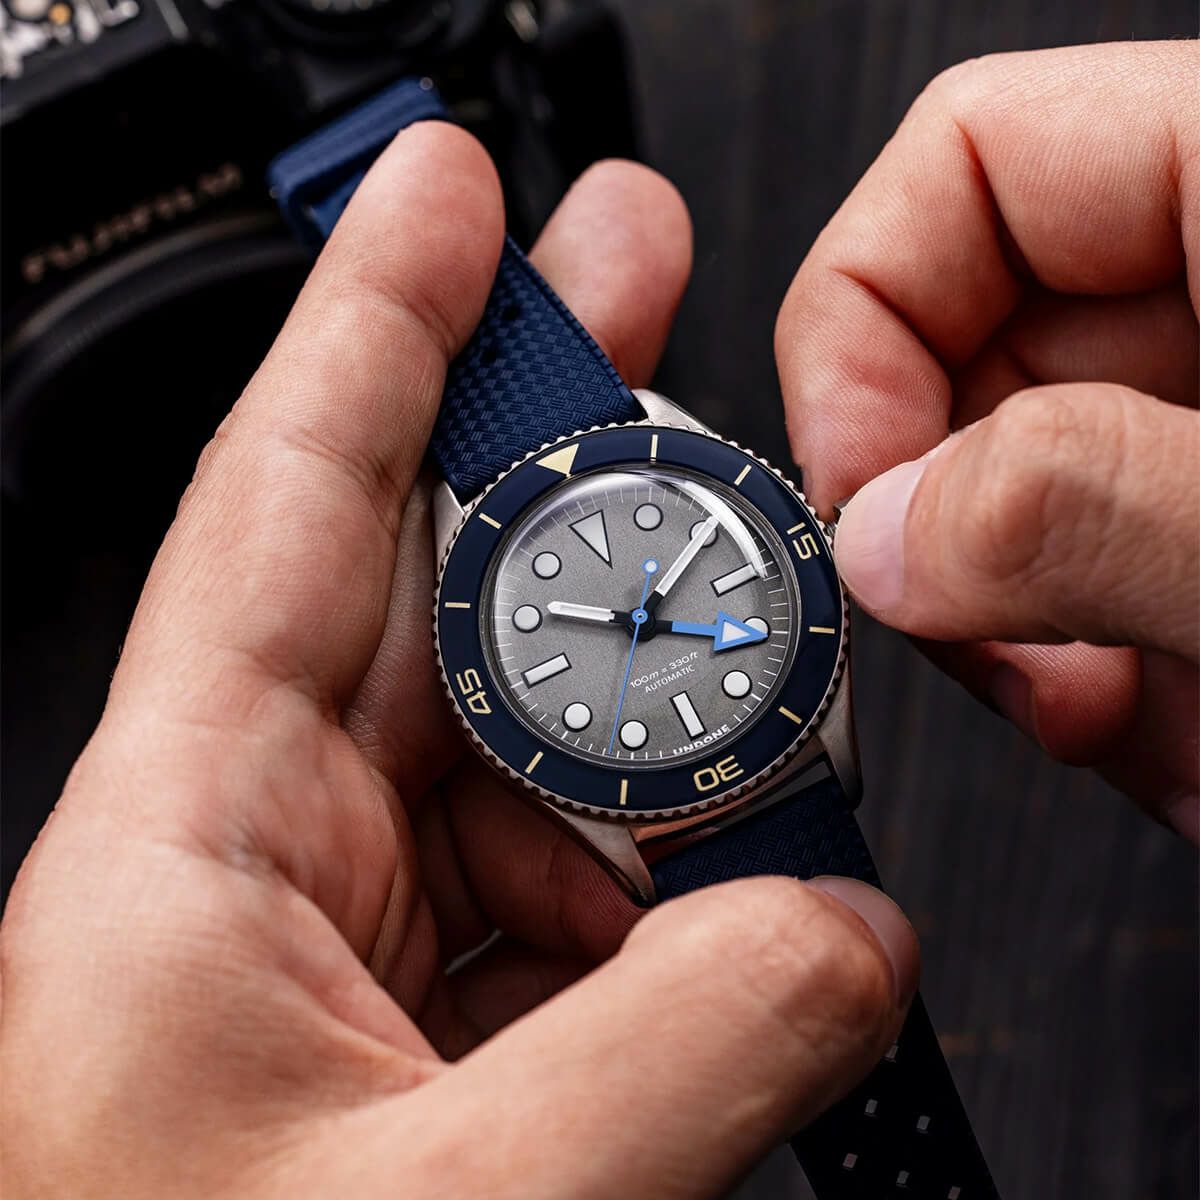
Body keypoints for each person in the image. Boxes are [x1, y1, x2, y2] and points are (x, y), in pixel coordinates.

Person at [1, 40, 1195, 1199]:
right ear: (478, 687)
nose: (633, 622)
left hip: (744, 744)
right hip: (673, 797)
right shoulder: (555, 749)